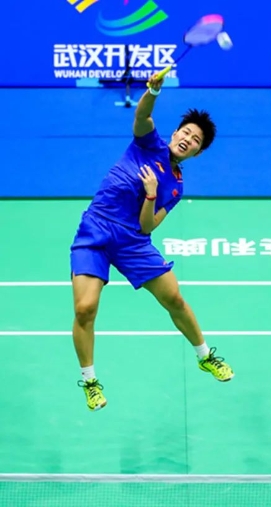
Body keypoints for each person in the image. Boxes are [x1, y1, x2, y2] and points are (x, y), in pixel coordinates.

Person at [70, 73, 234, 412]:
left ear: (198, 153)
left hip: (132, 241)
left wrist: (150, 194)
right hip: (97, 228)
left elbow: (148, 226)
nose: (188, 139)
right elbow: (142, 115)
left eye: (196, 140)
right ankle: (90, 381)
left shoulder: (176, 187)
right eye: (186, 132)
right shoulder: (149, 144)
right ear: (175, 133)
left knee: (174, 298)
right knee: (85, 309)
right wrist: (153, 90)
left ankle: (205, 356)